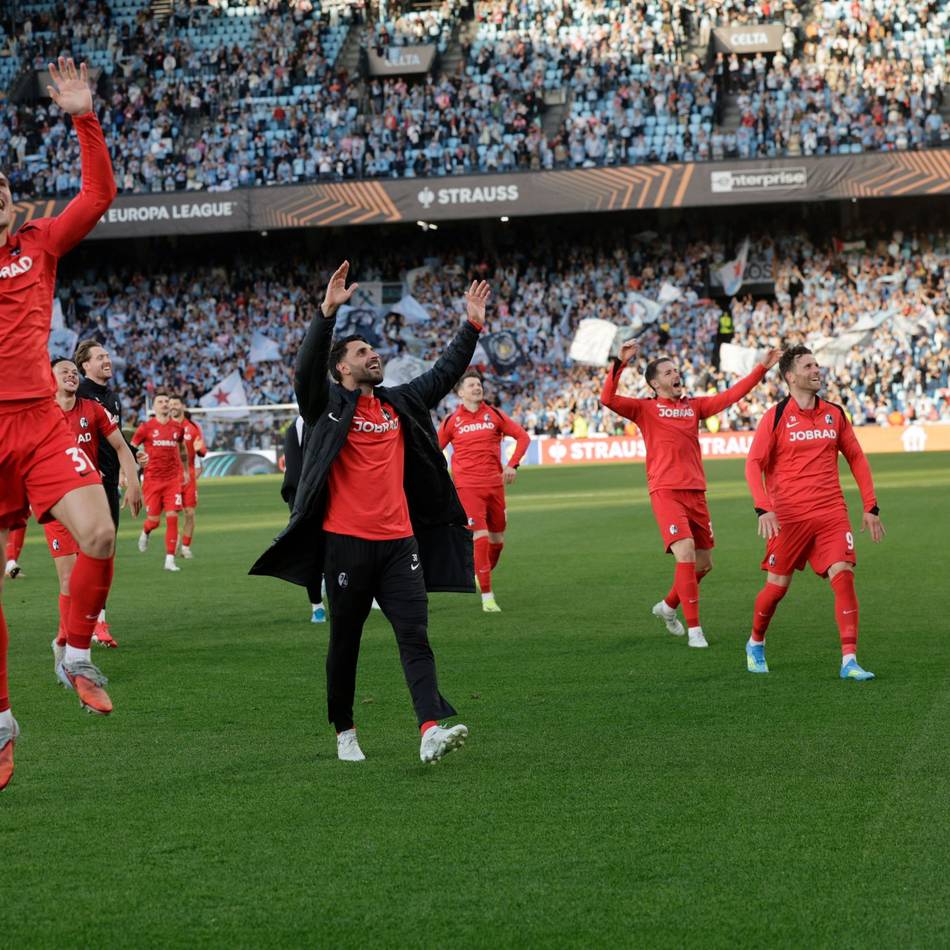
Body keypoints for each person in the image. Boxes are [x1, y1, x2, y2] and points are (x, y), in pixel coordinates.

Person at [251, 262, 487, 765]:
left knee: (415, 635)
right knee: (346, 642)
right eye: (361, 353)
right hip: (345, 545)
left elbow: (443, 374)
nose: (373, 355)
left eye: (373, 350)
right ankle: (345, 730)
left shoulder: (398, 403)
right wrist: (326, 314)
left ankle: (429, 728)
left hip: (401, 545)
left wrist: (472, 324)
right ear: (342, 368)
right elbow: (303, 371)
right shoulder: (325, 406)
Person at [1, 57, 119, 790]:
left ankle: (72, 651)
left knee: (100, 534)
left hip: (40, 423)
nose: (1, 199)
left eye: (5, 191)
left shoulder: (39, 245)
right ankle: (1, 723)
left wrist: (84, 116)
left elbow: (98, 194)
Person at [601, 339, 781, 648]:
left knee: (704, 564)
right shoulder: (644, 409)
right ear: (655, 383)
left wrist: (762, 367)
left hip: (696, 492)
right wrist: (620, 363)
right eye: (668, 372)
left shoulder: (692, 407)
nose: (676, 374)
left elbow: (731, 396)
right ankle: (695, 630)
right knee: (684, 553)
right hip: (666, 491)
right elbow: (608, 398)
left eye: (676, 370)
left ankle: (669, 606)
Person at [743, 345, 885, 680]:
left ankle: (849, 660)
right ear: (791, 376)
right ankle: (755, 642)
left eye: (817, 364)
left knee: (844, 573)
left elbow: (857, 459)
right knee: (777, 587)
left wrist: (870, 505)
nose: (817, 370)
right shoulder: (775, 417)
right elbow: (753, 464)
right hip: (788, 517)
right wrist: (763, 507)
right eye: (809, 366)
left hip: (830, 512)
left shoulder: (834, 413)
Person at [47, 358, 142, 659]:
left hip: (89, 501)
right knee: (67, 579)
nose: (72, 376)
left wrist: (134, 482)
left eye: (75, 372)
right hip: (56, 504)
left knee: (94, 567)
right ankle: (66, 640)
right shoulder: (41, 415)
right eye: (65, 372)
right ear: (50, 379)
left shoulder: (92, 409)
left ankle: (79, 642)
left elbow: (120, 446)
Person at [438, 370, 530, 612]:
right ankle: (487, 597)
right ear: (460, 392)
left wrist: (512, 464)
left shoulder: (494, 415)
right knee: (479, 537)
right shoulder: (451, 421)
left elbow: (522, 437)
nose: (477, 388)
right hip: (467, 487)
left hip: (495, 486)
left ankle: (481, 572)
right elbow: (434, 450)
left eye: (478, 384)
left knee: (497, 541)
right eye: (471, 385)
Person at [75, 338, 128, 642]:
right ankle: (84, 623)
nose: (107, 361)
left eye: (108, 356)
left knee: (105, 554)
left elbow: (113, 438)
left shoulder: (111, 396)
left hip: (108, 485)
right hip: (83, 485)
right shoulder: (79, 393)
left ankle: (98, 620)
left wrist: (133, 454)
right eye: (101, 357)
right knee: (84, 555)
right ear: (85, 365)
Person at [131, 391, 189, 572]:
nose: (165, 404)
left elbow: (182, 449)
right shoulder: (145, 428)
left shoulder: (178, 428)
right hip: (152, 481)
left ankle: (169, 559)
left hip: (172, 480)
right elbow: (130, 449)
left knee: (172, 518)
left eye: (167, 401)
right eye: (161, 401)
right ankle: (146, 531)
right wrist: (126, 472)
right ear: (154, 407)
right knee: (154, 521)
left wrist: (186, 470)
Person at [281, 415, 327, 622]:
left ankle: (366, 595)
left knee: (347, 549)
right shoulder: (296, 427)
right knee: (311, 554)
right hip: (305, 502)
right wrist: (297, 504)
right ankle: (317, 605)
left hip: (336, 497)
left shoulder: (333, 419)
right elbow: (293, 471)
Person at [169, 397, 206, 559]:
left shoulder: (193, 427)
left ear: (182, 406)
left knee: (189, 513)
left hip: (189, 476)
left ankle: (185, 547)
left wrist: (200, 450)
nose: (173, 407)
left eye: (176, 404)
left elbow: (202, 451)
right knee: (173, 513)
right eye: (170, 405)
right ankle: (174, 541)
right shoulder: (165, 426)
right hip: (171, 476)